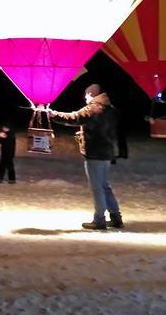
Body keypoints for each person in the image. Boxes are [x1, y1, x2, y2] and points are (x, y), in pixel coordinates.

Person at [48, 84, 123, 230]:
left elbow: (74, 118)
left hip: (94, 153)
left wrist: (54, 114)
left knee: (97, 188)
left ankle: (99, 220)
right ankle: (116, 218)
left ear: (90, 94)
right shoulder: (110, 109)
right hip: (107, 152)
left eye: (86, 95)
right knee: (105, 186)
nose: (85, 98)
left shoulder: (93, 108)